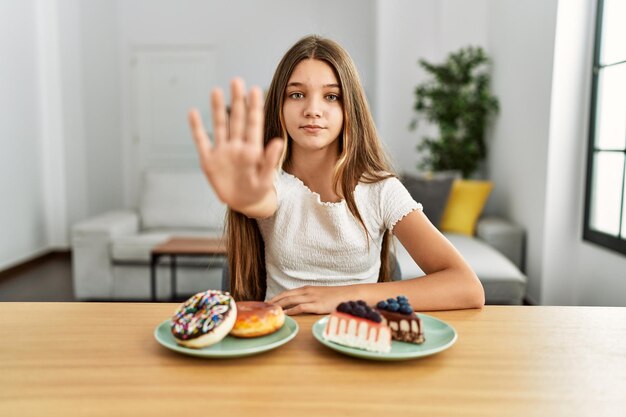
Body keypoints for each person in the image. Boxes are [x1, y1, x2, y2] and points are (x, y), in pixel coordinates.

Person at [188, 35, 484, 315]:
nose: (312, 110)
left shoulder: (381, 190)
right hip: (281, 343)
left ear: (350, 108)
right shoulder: (275, 184)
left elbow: (467, 287)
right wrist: (246, 198)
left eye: (331, 96)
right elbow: (262, 199)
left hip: (356, 346)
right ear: (279, 104)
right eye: (297, 94)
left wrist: (346, 295)